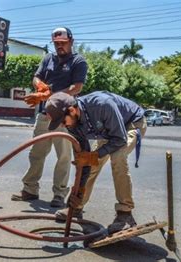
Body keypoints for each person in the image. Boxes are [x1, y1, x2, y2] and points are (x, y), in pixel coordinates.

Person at [45, 91, 146, 233]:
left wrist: (96, 154)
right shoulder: (72, 124)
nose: (62, 125)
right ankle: (76, 209)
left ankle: (125, 213)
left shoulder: (102, 104)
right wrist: (77, 196)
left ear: (72, 110)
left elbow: (119, 139)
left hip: (130, 124)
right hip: (108, 131)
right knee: (89, 163)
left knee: (118, 157)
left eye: (62, 121)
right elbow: (84, 161)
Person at [11, 27, 88, 207]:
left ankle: (59, 194)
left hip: (65, 118)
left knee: (63, 156)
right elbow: (36, 77)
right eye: (57, 44)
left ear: (71, 41)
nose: (60, 47)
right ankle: (30, 189)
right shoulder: (48, 59)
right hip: (45, 115)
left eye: (63, 43)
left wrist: (49, 95)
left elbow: (76, 88)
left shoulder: (78, 61)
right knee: (36, 153)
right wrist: (40, 86)